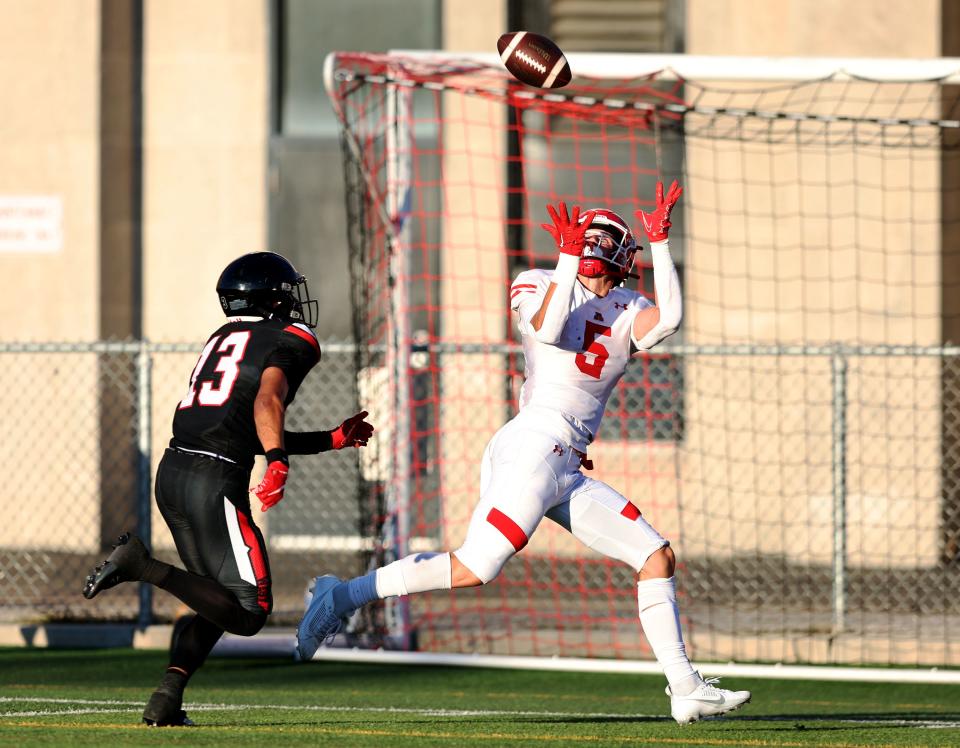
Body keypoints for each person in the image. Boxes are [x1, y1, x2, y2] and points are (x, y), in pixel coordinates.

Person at [296, 182, 751, 725]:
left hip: (568, 463)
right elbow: (552, 327)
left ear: (625, 255)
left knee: (655, 556)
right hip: (534, 445)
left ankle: (686, 687)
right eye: (590, 234)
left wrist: (660, 242)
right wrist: (563, 259)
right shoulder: (537, 281)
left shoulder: (632, 305)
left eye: (608, 237)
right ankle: (340, 597)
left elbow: (671, 322)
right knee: (476, 567)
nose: (596, 243)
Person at [82, 251, 374, 727]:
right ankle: (142, 564)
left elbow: (242, 426)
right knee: (251, 610)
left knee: (216, 598)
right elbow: (268, 400)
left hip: (175, 471)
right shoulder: (293, 338)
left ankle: (167, 697)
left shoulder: (223, 336)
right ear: (274, 297)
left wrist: (330, 440)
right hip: (213, 480)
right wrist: (278, 464)